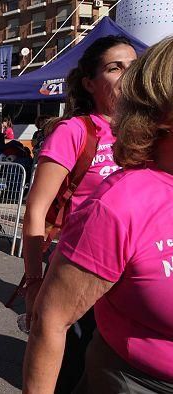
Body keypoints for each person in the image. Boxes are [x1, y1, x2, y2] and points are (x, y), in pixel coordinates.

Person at [23, 36, 173, 394]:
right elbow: (36, 209)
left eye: (131, 66)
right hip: (82, 261)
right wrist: (33, 282)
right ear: (89, 83)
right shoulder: (75, 131)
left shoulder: (147, 145)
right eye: (114, 67)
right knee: (73, 361)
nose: (126, 74)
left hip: (138, 263)